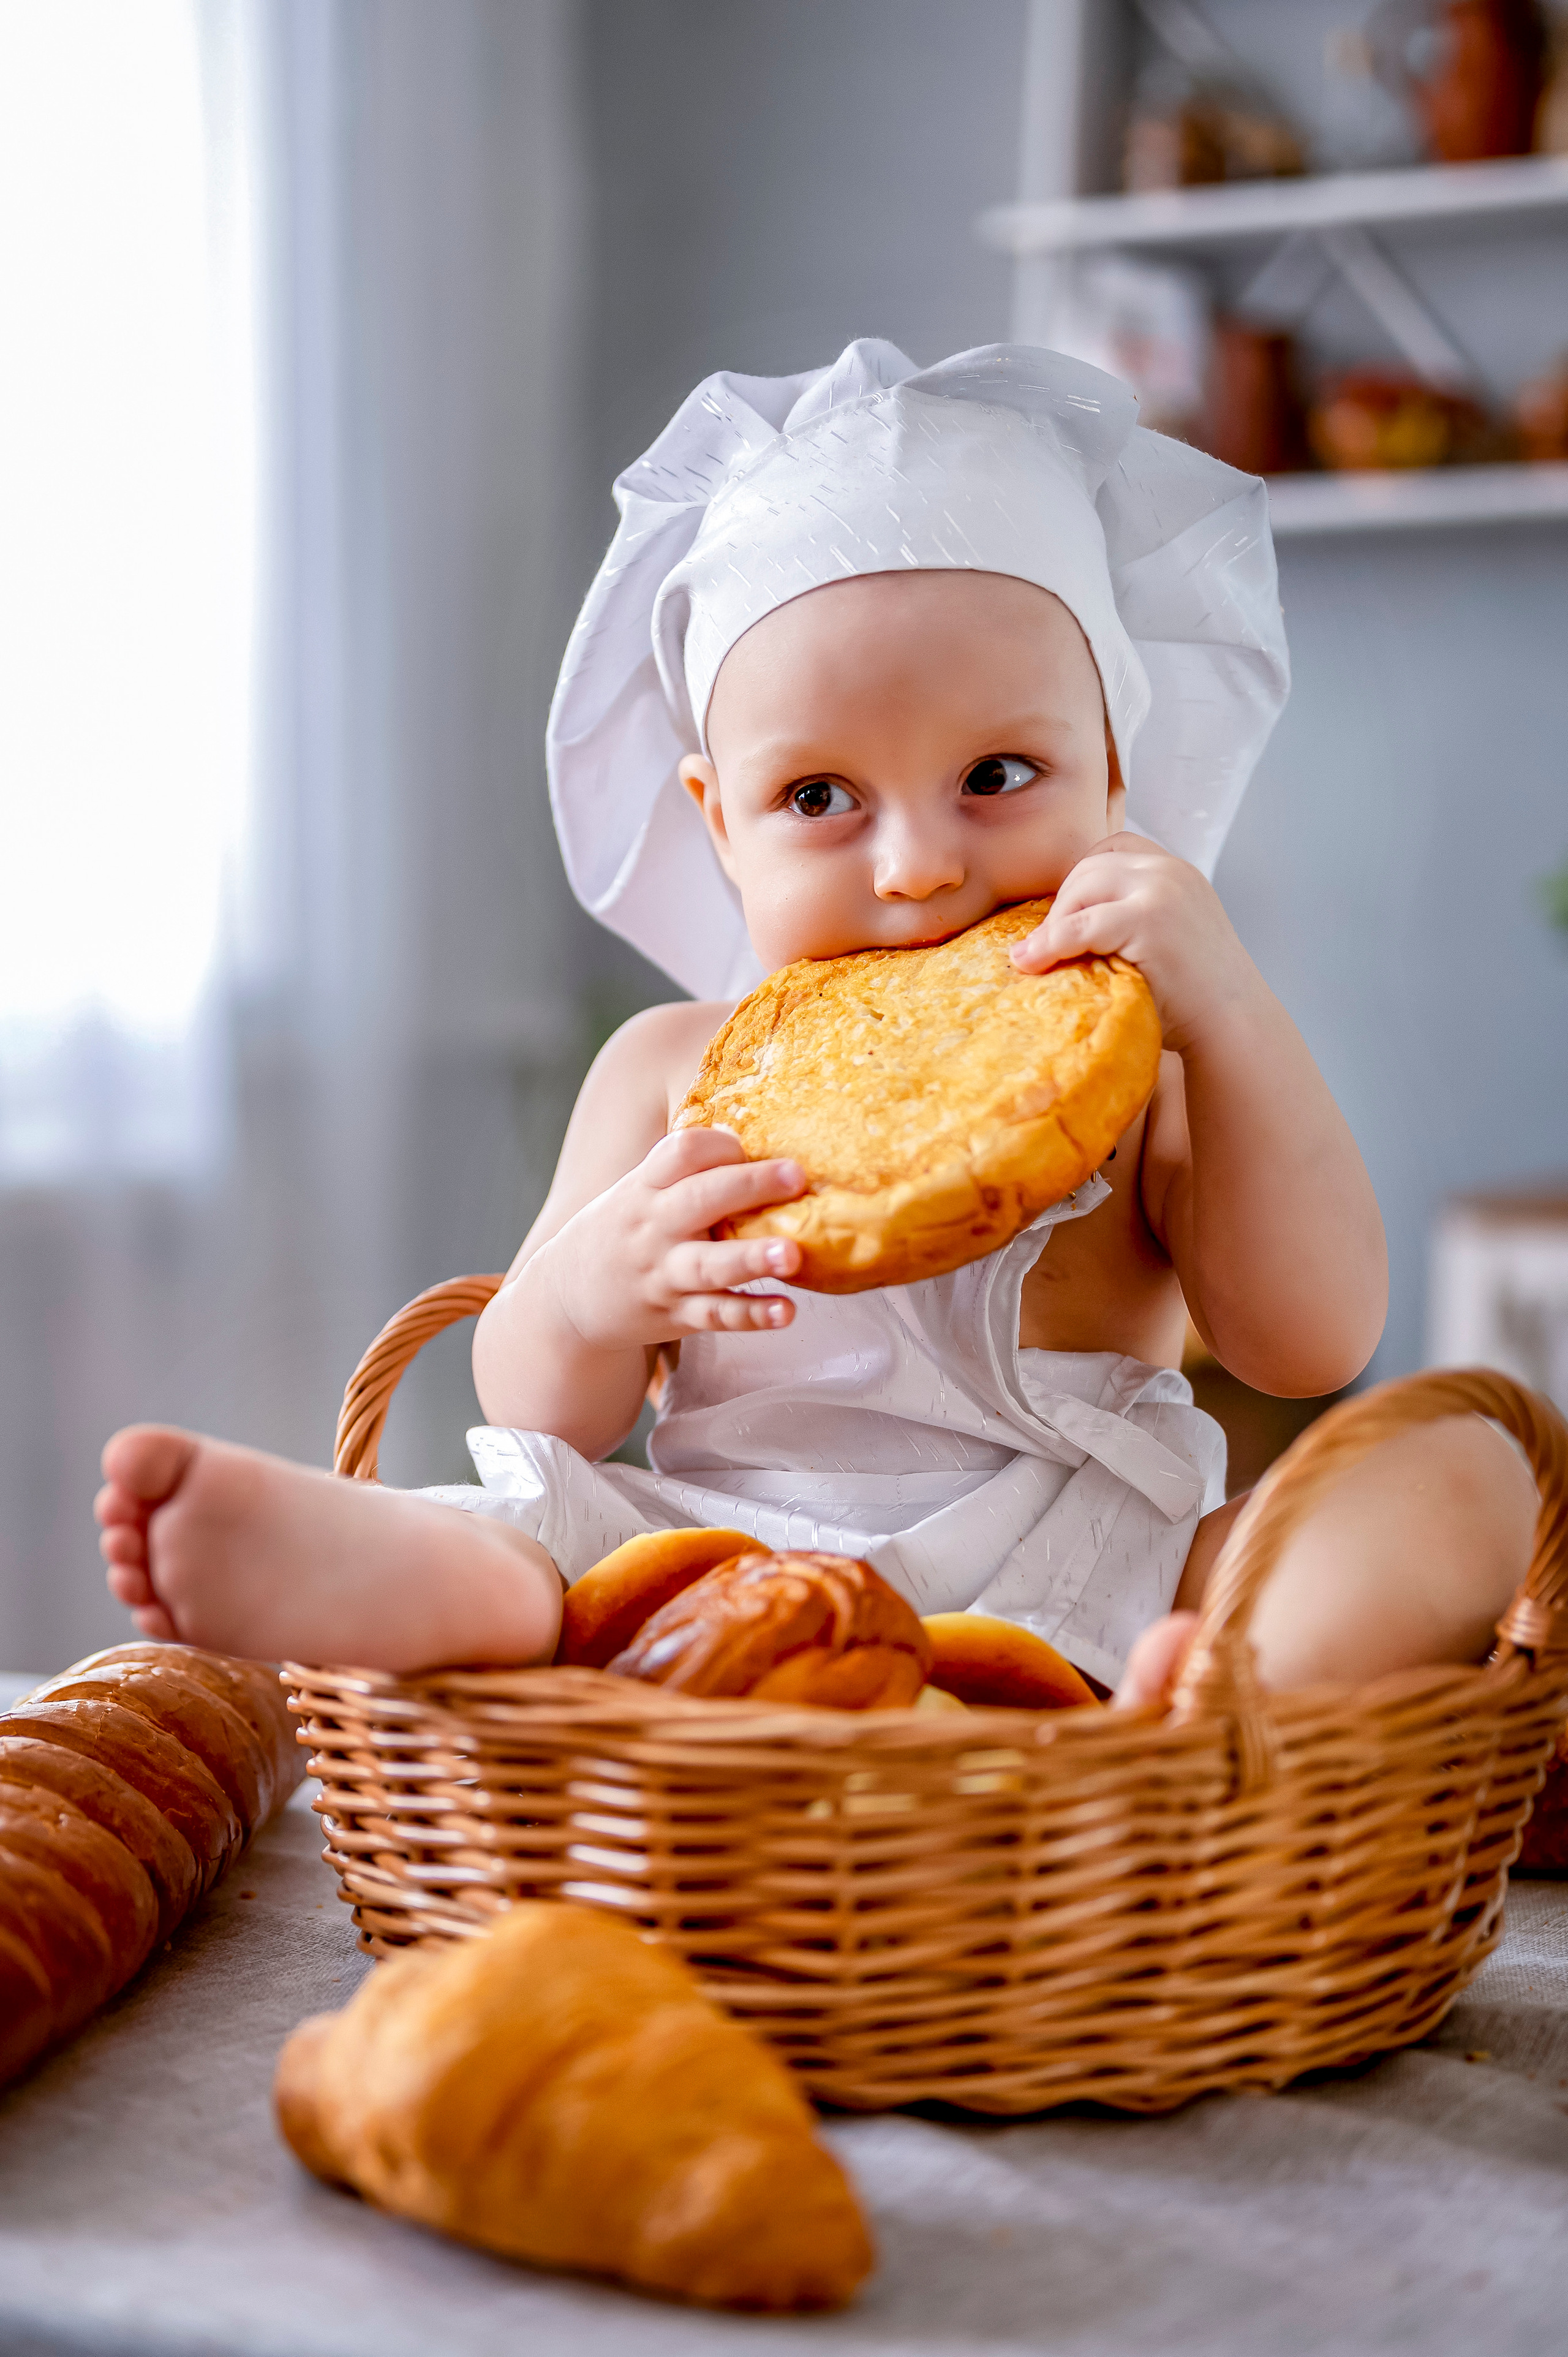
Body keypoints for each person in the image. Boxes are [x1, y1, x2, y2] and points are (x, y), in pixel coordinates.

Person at [96, 342, 1537, 1702]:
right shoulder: (670, 1072)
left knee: (1462, 1470)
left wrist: (1228, 1017)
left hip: (1086, 1586)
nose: (914, 864)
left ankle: (1225, 1711)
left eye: (994, 772)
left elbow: (1309, 1342)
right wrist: (600, 1293)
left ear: (1114, 776)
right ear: (718, 825)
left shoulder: (1153, 1058)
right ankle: (382, 1580)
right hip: (710, 1574)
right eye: (817, 799)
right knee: (511, 1533)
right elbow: (544, 1404)